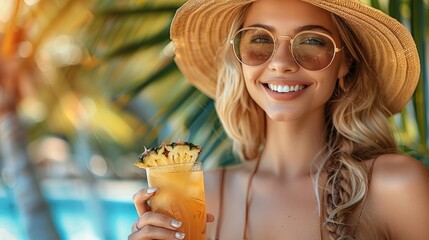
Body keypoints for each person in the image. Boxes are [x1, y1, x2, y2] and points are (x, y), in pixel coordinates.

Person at [129, 0, 429, 239]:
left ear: (345, 64)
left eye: (311, 41)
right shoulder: (199, 199)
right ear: (238, 60)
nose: (282, 63)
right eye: (260, 40)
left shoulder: (395, 187)